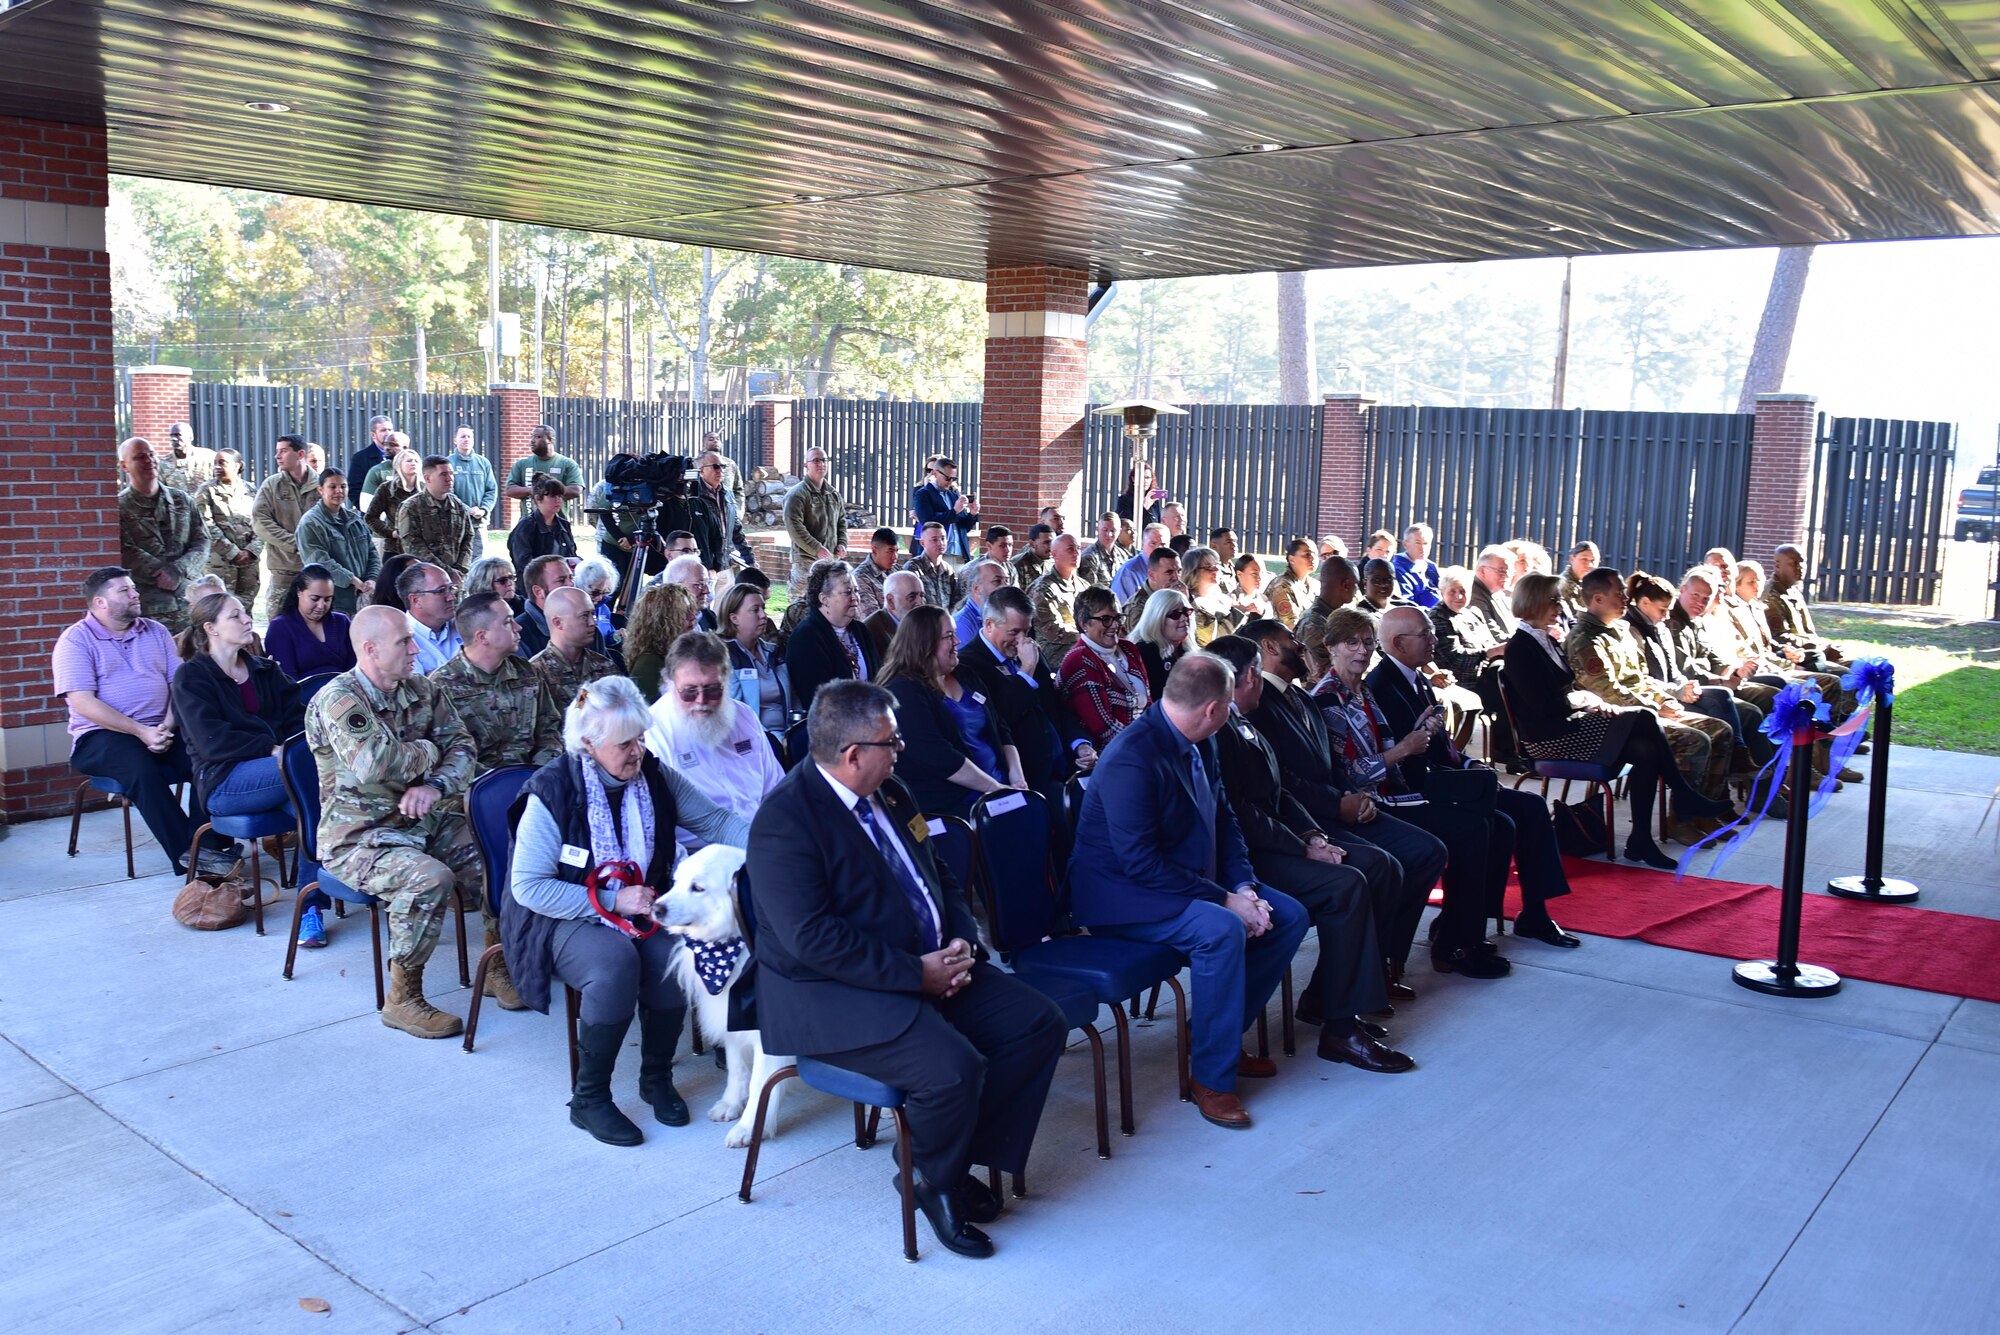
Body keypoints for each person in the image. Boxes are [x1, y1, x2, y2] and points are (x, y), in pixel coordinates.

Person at [746, 679, 1067, 1256]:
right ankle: (933, 1181)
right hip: (832, 993)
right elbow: (812, 940)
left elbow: (937, 876)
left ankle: (940, 1155)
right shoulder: (784, 823)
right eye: (892, 742)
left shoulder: (891, 792)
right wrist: (917, 974)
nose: (901, 752)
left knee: (1036, 1024)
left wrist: (963, 940)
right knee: (952, 1071)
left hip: (923, 964)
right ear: (851, 755)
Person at [1067, 653, 1310, 1129]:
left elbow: (1224, 818)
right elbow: (1139, 863)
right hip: (1124, 896)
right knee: (1221, 929)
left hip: (1184, 878)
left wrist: (1243, 884)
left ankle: (1214, 1031)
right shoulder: (1132, 758)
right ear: (1214, 709)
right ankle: (1212, 1079)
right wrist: (1225, 899)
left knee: (1289, 916)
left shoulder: (1201, 739)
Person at [507, 675, 751, 1145]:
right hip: (561, 915)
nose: (637, 750)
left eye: (640, 737)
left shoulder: (653, 775)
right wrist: (612, 900)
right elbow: (528, 887)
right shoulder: (553, 790)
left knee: (674, 955)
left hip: (641, 907)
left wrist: (767, 855)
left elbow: (716, 820)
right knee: (614, 963)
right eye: (625, 743)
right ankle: (590, 1098)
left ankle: (656, 1077)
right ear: (588, 744)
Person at [1201, 635, 1411, 1071]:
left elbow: (1278, 793)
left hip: (1277, 840)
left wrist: (1314, 835)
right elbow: (1239, 814)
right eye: (1258, 673)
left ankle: (1335, 1000)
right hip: (1248, 855)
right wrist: (1302, 848)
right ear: (1248, 677)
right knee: (1347, 885)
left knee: (1372, 865)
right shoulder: (1217, 730)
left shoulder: (1246, 721)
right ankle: (1340, 1029)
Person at [1238, 618, 1450, 1002]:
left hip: (1338, 804)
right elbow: (1279, 782)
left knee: (1428, 850)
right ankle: (1336, 991)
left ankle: (1382, 964)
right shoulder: (1258, 703)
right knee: (1378, 865)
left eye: (1368, 642)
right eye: (1290, 639)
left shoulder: (1299, 697)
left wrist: (1353, 796)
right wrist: (1337, 803)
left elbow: (1331, 763)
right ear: (1269, 647)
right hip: (1305, 818)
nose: (1302, 645)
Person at [303, 606, 485, 1037]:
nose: (415, 647)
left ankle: (500, 964)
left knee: (495, 852)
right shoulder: (341, 699)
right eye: (404, 641)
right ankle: (403, 999)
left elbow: (464, 746)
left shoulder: (421, 689)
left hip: (419, 820)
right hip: (358, 837)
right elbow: (373, 762)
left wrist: (436, 786)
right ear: (370, 649)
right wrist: (428, 749)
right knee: (427, 879)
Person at [1370, 607, 1579, 950]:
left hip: (1445, 777)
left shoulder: (1416, 677)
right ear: (1398, 642)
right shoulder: (1383, 686)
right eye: (1425, 635)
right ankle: (1464, 925)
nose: (1434, 640)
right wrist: (1457, 772)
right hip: (1421, 789)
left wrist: (1469, 764)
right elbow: (1407, 762)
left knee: (1530, 807)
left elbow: (1441, 747)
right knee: (1505, 820)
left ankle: (1533, 912)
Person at [1503, 573, 1732, 869]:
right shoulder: (1520, 647)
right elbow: (1543, 705)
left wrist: (1587, 703)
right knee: (1645, 717)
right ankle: (1684, 795)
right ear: (1533, 602)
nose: (1560, 607)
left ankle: (1641, 839)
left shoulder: (1545, 639)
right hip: (1549, 738)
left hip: (1568, 724)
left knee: (1645, 751)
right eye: (1553, 601)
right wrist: (1588, 701)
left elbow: (1563, 690)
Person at [54, 568, 240, 879]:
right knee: (140, 767)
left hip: (162, 729)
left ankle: (212, 845)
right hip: (102, 737)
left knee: (210, 754)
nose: (135, 594)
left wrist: (165, 726)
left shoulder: (155, 631)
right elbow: (83, 702)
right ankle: (188, 855)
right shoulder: (75, 640)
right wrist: (141, 731)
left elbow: (179, 685)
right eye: (124, 591)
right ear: (99, 603)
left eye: (133, 588)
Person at [1566, 567, 1736, 810]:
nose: (1626, 598)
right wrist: (1656, 706)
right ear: (1598, 599)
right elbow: (1609, 693)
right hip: (1616, 720)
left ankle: (1706, 809)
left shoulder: (1620, 631)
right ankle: (1683, 818)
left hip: (1644, 708)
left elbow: (1641, 678)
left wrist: (1665, 698)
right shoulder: (1585, 639)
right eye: (1619, 594)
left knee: (1720, 730)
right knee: (1695, 740)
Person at [169, 589, 304, 883]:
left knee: (317, 814)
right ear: (211, 628)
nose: (247, 620)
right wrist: (272, 749)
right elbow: (211, 740)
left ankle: (314, 900)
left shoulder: (265, 670)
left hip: (278, 770)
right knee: (307, 772)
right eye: (235, 615)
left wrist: (291, 747)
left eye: (245, 612)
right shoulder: (191, 677)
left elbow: (298, 718)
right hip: (223, 781)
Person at [876, 606, 1022, 815]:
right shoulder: (904, 691)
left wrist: (1016, 777)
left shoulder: (966, 674)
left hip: (1000, 791)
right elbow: (938, 756)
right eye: (949, 636)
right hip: (954, 807)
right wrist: (994, 789)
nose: (957, 642)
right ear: (925, 643)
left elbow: (1000, 727)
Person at [958, 585, 1095, 802]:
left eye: (1027, 631)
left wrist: (1080, 743)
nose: (1022, 640)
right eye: (1013, 632)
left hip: (1065, 765)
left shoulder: (1031, 653)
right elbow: (1000, 720)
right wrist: (1026, 672)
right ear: (989, 624)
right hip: (1028, 778)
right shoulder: (969, 665)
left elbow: (1056, 705)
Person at [645, 630, 784, 843]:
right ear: (669, 683)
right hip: (699, 859)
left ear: (726, 681)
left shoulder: (744, 716)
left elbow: (776, 793)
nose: (701, 700)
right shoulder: (652, 732)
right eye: (689, 691)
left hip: (762, 843)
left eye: (712, 690)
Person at [118, 436, 211, 633]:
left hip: (192, 604)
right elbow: (124, 549)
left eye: (152, 455)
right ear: (124, 466)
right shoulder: (119, 509)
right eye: (140, 457)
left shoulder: (182, 500)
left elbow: (202, 540)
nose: (149, 460)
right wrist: (161, 572)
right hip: (151, 610)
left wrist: (179, 569)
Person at [1431, 563, 1515, 765]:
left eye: (1463, 591)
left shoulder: (1473, 613)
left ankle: (1512, 748)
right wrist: (1489, 653)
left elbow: (1489, 642)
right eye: (1453, 592)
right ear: (1442, 592)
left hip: (1484, 674)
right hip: (1457, 678)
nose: (1459, 597)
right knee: (1504, 684)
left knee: (1509, 677)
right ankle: (1508, 750)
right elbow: (1454, 657)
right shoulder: (1438, 616)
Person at [1058, 585, 1152, 748]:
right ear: (1084, 623)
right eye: (1106, 619)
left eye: (1118, 618)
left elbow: (1149, 705)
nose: (1115, 625)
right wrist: (1147, 747)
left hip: (1142, 744)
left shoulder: (1129, 649)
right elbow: (1104, 729)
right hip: (1107, 754)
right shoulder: (1080, 660)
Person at [786, 559, 876, 712]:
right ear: (824, 599)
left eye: (856, 591)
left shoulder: (860, 630)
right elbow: (817, 699)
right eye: (848, 592)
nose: (855, 597)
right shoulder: (807, 638)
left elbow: (877, 679)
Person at [252, 433, 322, 620]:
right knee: (278, 621)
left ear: (300, 454)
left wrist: (311, 547)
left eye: (283, 451)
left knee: (315, 622)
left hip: (317, 568)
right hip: (283, 569)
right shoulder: (271, 485)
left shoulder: (322, 485)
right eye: (277, 451)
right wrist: (294, 543)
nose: (277, 456)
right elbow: (260, 521)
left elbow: (335, 520)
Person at [295, 469, 378, 615]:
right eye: (332, 487)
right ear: (320, 490)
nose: (339, 491)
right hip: (333, 603)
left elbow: (372, 552)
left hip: (362, 601)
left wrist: (372, 578)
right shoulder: (311, 523)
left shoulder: (355, 520)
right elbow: (320, 562)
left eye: (343, 486)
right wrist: (352, 580)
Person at [1764, 543, 1851, 672]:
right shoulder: (1770, 596)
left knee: (1865, 667)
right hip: (1797, 657)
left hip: (1815, 651)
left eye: (1803, 562)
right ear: (1777, 565)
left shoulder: (1794, 592)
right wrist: (1822, 649)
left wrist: (1826, 647)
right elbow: (1779, 637)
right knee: (1846, 674)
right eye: (1794, 563)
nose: (1800, 567)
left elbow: (1809, 632)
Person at [718, 580, 792, 730]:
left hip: (786, 734)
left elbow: (793, 698)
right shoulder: (725, 656)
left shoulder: (773, 652)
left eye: (763, 608)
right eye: (755, 610)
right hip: (754, 738)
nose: (764, 615)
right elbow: (735, 715)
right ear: (734, 618)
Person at [194, 448, 262, 605]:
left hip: (248, 563)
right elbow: (206, 524)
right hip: (220, 562)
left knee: (245, 606)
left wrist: (251, 551)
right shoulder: (206, 490)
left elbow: (262, 522)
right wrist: (233, 552)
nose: (217, 467)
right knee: (219, 607)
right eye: (215, 463)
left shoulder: (251, 490)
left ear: (237, 466)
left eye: (222, 463)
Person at [263, 566, 356, 681]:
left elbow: (355, 668)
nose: (321, 606)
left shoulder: (342, 622)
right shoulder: (280, 627)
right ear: (299, 592)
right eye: (315, 599)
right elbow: (287, 680)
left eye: (327, 599)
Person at [396, 455, 478, 582]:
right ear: (428, 478)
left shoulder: (458, 505)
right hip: (425, 579)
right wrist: (447, 572)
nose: (450, 478)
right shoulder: (411, 507)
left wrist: (460, 569)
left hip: (456, 578)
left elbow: (468, 538)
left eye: (451, 473)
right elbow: (414, 548)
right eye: (443, 474)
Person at [531, 586, 617, 708]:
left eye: (592, 614)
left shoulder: (604, 666)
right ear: (558, 623)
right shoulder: (535, 674)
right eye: (584, 616)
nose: (592, 622)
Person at [782, 446, 846, 596]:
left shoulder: (833, 494)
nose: (821, 464)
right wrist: (817, 548)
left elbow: (841, 521)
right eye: (816, 460)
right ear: (806, 465)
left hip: (830, 563)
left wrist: (842, 543)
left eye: (824, 460)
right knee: (800, 609)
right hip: (806, 565)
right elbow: (795, 528)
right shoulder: (796, 495)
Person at [623, 582, 698, 703]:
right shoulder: (649, 664)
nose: (693, 616)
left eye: (691, 610)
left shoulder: (679, 654)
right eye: (683, 612)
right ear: (663, 620)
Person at [1293, 555, 1359, 684]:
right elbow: (1325, 675)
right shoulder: (1313, 624)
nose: (1357, 590)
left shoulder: (1333, 618)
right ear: (1346, 585)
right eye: (1355, 584)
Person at [1027, 532, 1088, 664]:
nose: (1076, 553)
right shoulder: (1043, 589)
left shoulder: (1084, 586)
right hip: (1054, 653)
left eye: (1078, 548)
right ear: (1054, 554)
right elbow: (1053, 630)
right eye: (1070, 549)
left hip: (1084, 644)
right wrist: (1091, 635)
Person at [910, 455, 979, 562]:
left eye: (953, 478)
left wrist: (972, 514)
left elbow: (963, 527)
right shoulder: (923, 494)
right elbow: (928, 523)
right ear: (935, 473)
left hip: (959, 554)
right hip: (939, 555)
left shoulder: (953, 495)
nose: (950, 481)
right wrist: (954, 511)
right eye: (947, 478)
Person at [508, 477, 577, 583]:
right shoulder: (526, 526)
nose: (558, 500)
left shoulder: (564, 524)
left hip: (561, 582)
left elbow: (572, 554)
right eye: (552, 496)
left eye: (560, 496)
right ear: (538, 499)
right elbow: (523, 562)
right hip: (534, 584)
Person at [1129, 587, 1194, 699]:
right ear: (1157, 618)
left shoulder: (1186, 651)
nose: (1184, 618)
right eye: (1175, 614)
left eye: (1186, 612)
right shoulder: (1144, 653)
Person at [693, 449, 752, 569]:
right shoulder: (692, 496)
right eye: (715, 466)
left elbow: (736, 529)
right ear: (701, 470)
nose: (720, 470)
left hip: (724, 563)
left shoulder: (727, 493)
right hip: (702, 566)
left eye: (722, 466)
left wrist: (749, 558)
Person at [400, 563, 464, 674]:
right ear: (416, 600)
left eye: (451, 588)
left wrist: (434, 675)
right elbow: (419, 688)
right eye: (441, 591)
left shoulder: (465, 624)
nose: (451, 597)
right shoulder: (398, 639)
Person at [503, 424, 585, 510]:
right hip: (529, 520)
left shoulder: (567, 463)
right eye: (532, 437)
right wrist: (533, 490)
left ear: (550, 440)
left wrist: (548, 491)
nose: (532, 441)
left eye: (538, 437)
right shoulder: (522, 464)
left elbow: (576, 490)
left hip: (558, 521)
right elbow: (510, 490)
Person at [1182, 545, 1245, 647]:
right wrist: (1237, 612)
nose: (1216, 569)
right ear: (1193, 571)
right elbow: (1210, 642)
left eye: (1216, 565)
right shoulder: (1191, 603)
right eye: (1208, 567)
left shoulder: (1220, 597)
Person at [514, 553, 574, 658]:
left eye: (571, 577)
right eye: (561, 580)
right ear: (538, 592)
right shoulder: (519, 634)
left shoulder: (583, 622)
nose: (571, 584)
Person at [864, 569, 924, 666]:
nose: (920, 603)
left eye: (921, 596)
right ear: (891, 601)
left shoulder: (920, 624)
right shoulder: (871, 632)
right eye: (912, 597)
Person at [1121, 545, 1185, 634]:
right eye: (1169, 572)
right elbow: (1142, 642)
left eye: (1179, 571)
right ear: (1152, 575)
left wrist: (1187, 602)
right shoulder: (1138, 608)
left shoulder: (1180, 595)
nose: (1176, 578)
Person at [574, 556, 626, 659]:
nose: (599, 597)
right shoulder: (571, 609)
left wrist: (617, 636)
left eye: (605, 593)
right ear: (581, 585)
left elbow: (607, 639)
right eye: (595, 592)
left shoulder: (604, 609)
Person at [903, 522, 962, 612]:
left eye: (943, 538)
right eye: (934, 540)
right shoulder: (913, 568)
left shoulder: (948, 570)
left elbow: (955, 602)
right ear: (923, 543)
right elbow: (908, 603)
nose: (940, 543)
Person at [447, 425, 498, 527]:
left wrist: (483, 510)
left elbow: (491, 490)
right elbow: (447, 492)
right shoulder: (447, 463)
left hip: (479, 523)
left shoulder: (483, 463)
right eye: (463, 436)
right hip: (456, 523)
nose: (466, 439)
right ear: (455, 440)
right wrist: (467, 510)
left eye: (469, 437)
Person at [1110, 523, 1171, 605]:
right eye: (1153, 543)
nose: (1158, 549)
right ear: (1142, 544)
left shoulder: (1172, 570)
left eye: (1163, 545)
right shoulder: (1128, 572)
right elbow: (1121, 609)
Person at [951, 558, 1005, 648]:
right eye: (997, 581)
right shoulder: (961, 624)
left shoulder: (997, 617)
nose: (1005, 587)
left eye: (1006, 580)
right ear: (977, 588)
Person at [853, 527, 904, 621]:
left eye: (897, 551)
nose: (895, 557)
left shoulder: (897, 571)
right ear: (874, 551)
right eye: (890, 551)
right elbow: (873, 619)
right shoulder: (860, 577)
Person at [1266, 538, 1317, 629]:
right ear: (1291, 559)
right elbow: (1291, 626)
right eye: (1307, 554)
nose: (1313, 558)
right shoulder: (1281, 586)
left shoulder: (1315, 584)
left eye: (1315, 554)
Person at [345, 414, 393, 511]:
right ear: (373, 435)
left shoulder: (402, 456)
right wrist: (370, 511)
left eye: (390, 429)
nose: (388, 433)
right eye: (383, 430)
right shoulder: (360, 458)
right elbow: (354, 490)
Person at [155, 421, 217, 495]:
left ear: (190, 437)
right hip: (179, 505)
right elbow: (160, 492)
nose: (174, 439)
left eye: (178, 435)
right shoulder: (163, 464)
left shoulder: (208, 457)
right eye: (171, 436)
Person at [1390, 522, 1441, 609]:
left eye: (1426, 544)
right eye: (1418, 543)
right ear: (1405, 544)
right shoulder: (1397, 569)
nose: (1422, 548)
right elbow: (1406, 603)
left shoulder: (1431, 566)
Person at [664, 554, 717, 634]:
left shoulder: (710, 618)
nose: (707, 590)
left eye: (707, 583)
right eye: (699, 584)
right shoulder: (661, 625)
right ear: (676, 587)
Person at [1077, 512, 1130, 589]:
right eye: (1105, 530)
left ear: (1120, 532)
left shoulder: (1123, 555)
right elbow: (1091, 591)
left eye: (1113, 530)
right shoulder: (1090, 557)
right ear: (1097, 530)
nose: (1109, 534)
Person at [1114, 460, 1166, 529]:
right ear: (1133, 479)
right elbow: (1126, 525)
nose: (1145, 481)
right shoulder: (1124, 500)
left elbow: (1157, 523)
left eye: (1147, 478)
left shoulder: (1154, 501)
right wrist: (1145, 507)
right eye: (1141, 477)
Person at [1560, 541, 1601, 615]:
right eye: (1584, 559)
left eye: (1593, 560)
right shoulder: (1563, 583)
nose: (1589, 564)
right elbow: (1574, 611)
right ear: (1572, 559)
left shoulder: (1596, 583)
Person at [1009, 524, 1051, 589]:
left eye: (1053, 542)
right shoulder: (1017, 565)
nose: (1051, 546)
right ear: (1032, 544)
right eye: (1046, 542)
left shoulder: (1052, 561)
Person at [1230, 554, 1271, 621]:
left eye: (1262, 573)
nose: (1260, 578)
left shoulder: (1265, 599)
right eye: (1254, 574)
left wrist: (1262, 612)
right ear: (1239, 574)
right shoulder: (1232, 601)